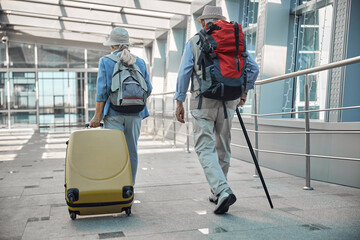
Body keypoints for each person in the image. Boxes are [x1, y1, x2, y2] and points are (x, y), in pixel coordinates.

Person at [174, 5, 259, 214]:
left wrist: (179, 101)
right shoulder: (234, 39)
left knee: (205, 147)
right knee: (223, 147)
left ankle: (221, 190)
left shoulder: (194, 41)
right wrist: (244, 93)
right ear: (220, 20)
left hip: (203, 101)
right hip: (229, 101)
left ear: (203, 22)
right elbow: (253, 69)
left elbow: (184, 73)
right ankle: (218, 192)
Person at [89, 27, 152, 185]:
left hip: (114, 114)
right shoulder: (140, 62)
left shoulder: (106, 61)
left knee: (114, 151)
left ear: (112, 45)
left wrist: (97, 116)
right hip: (136, 113)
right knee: (132, 152)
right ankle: (129, 189)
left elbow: (102, 91)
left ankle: (116, 187)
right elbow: (148, 89)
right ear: (128, 45)